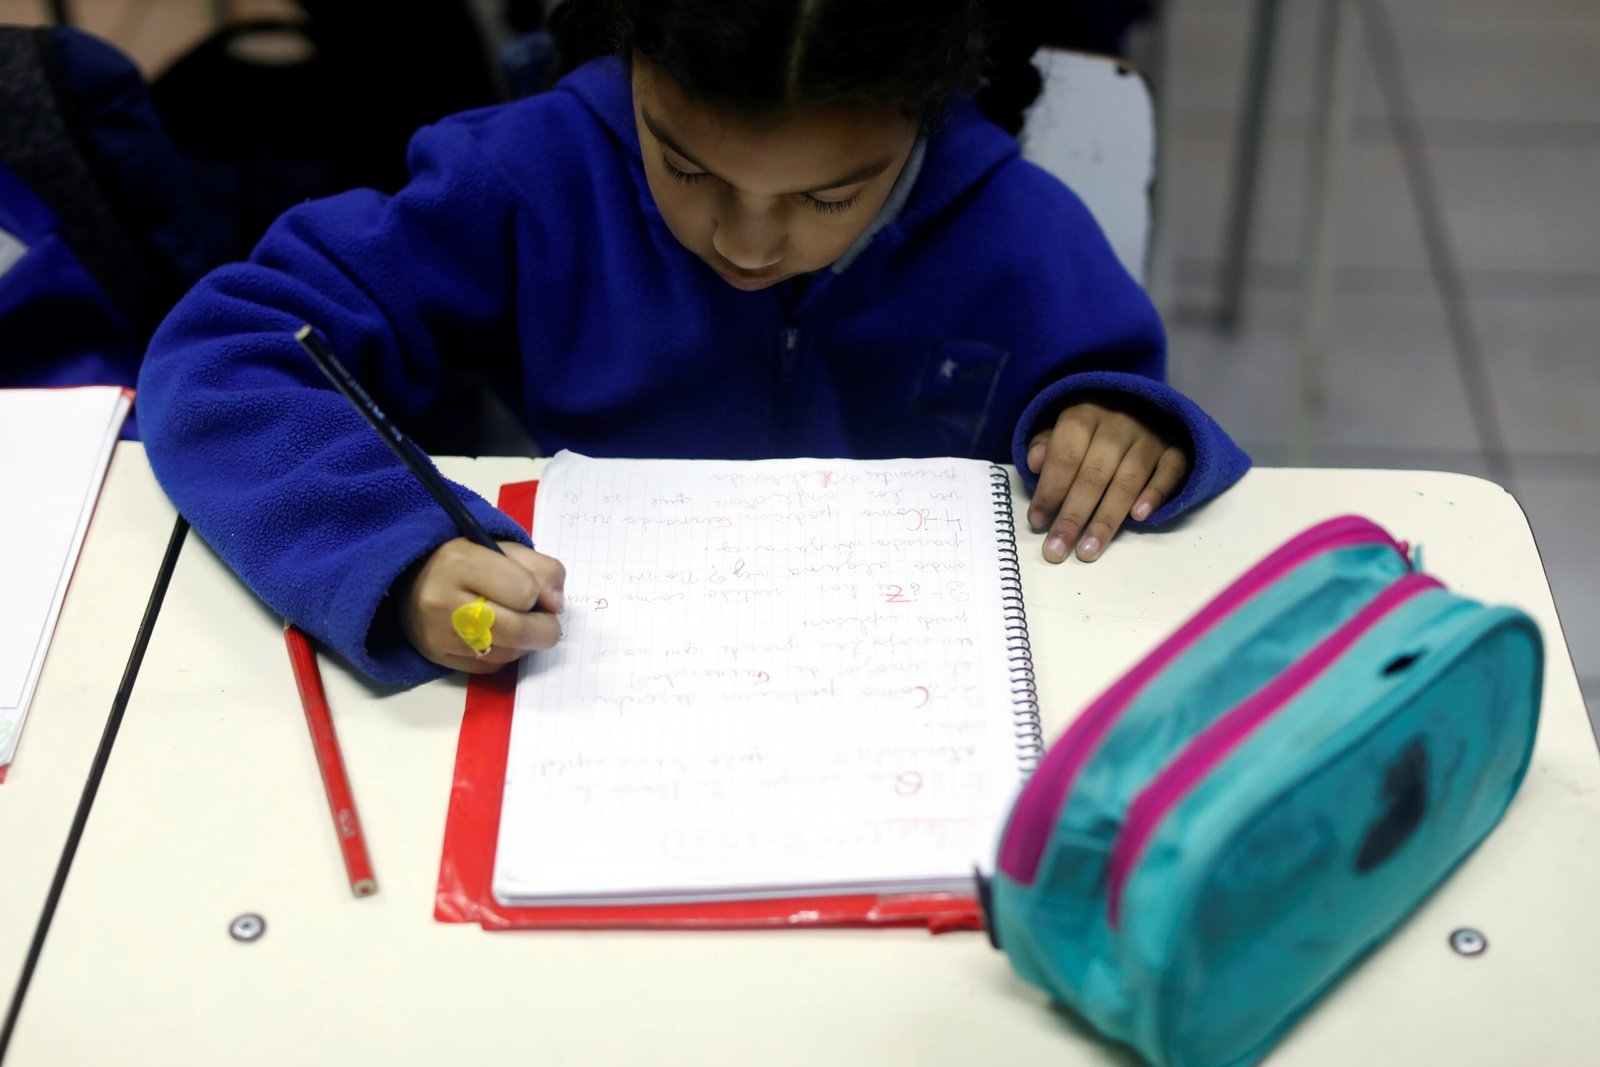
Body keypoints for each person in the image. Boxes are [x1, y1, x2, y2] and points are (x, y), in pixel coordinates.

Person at [136, 0, 1251, 688]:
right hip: (589, 678)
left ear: (927, 106)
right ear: (632, 59)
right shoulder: (529, 177)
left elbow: (1114, 400)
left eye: (828, 197)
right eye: (686, 167)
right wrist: (391, 557)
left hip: (904, 689)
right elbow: (229, 352)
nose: (747, 244)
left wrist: (1125, 426)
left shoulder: (1017, 229)